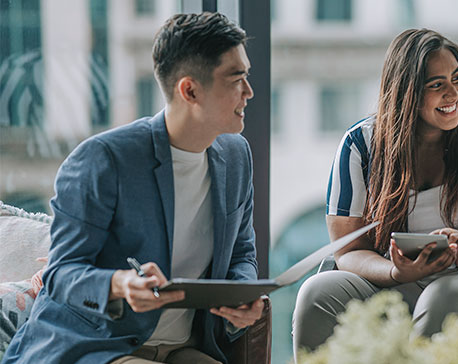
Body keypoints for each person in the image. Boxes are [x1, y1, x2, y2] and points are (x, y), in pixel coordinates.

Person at [2, 12, 264, 364]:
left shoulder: (236, 155)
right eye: (237, 79)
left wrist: (241, 294)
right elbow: (61, 275)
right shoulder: (103, 160)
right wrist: (120, 285)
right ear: (189, 89)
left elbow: (241, 254)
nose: (249, 91)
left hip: (184, 348)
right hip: (94, 346)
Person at [292, 28, 458, 358]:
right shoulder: (360, 146)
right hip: (391, 278)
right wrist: (395, 272)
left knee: (444, 295)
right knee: (317, 292)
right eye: (437, 85)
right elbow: (347, 252)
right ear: (406, 92)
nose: (453, 93)